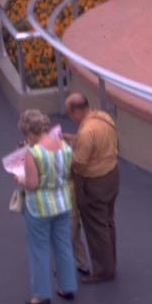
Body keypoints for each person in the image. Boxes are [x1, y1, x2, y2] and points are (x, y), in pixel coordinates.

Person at [18, 108, 79, 304]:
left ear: (30, 132)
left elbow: (33, 184)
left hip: (39, 207)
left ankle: (41, 294)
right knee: (63, 245)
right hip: (62, 202)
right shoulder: (64, 146)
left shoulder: (32, 153)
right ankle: (67, 286)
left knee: (39, 249)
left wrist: (18, 178)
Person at [63, 92, 120, 283]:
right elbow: (97, 146)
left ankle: (104, 271)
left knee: (96, 228)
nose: (71, 118)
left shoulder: (86, 132)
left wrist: (61, 153)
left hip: (93, 184)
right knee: (107, 221)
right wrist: (72, 139)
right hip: (111, 176)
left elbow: (78, 162)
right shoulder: (103, 117)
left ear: (76, 111)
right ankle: (110, 261)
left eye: (70, 114)